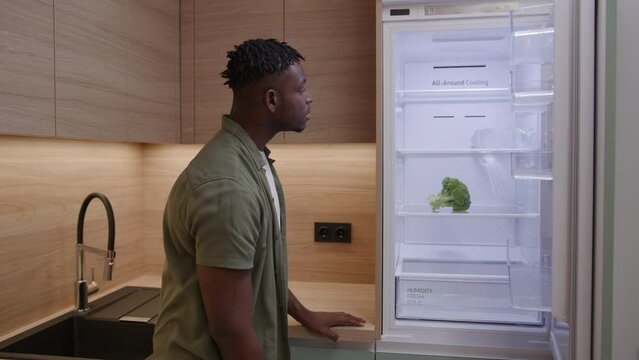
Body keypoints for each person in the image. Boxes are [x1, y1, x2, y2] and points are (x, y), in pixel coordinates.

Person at [152, 38, 366, 360]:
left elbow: (259, 270)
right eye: (301, 88)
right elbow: (230, 329)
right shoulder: (229, 187)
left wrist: (304, 313)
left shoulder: (253, 161)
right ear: (272, 100)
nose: (310, 98)